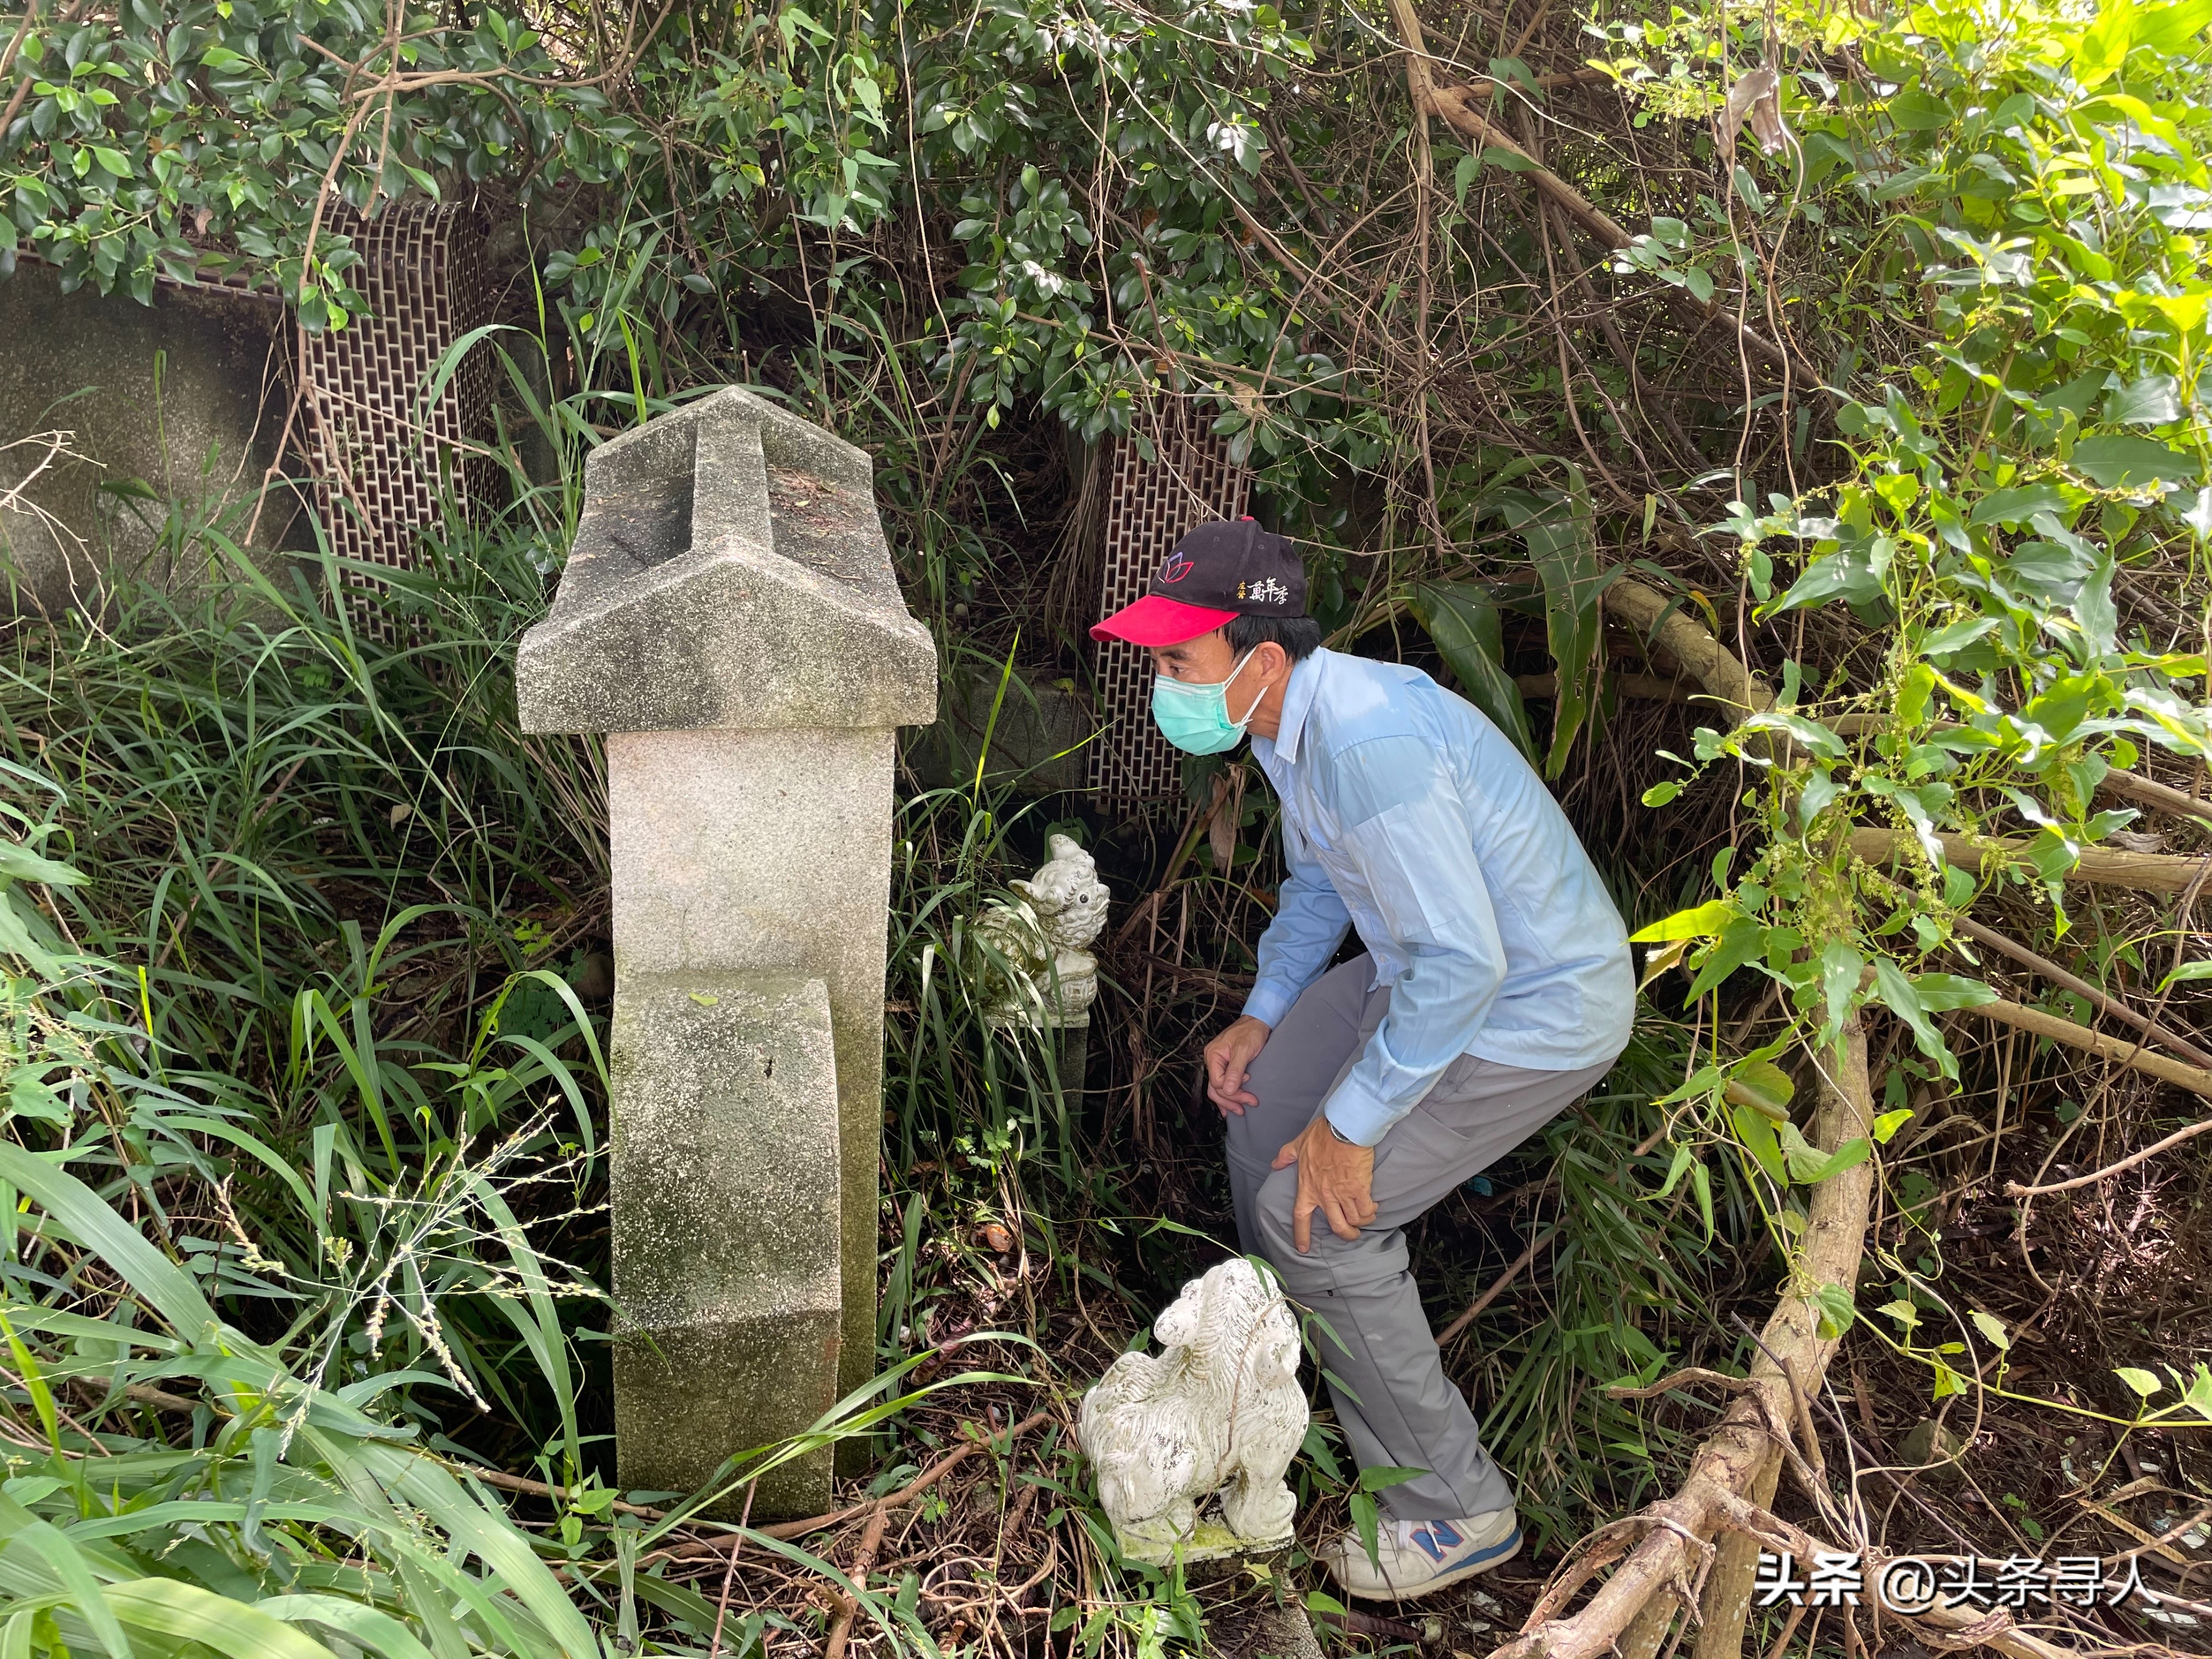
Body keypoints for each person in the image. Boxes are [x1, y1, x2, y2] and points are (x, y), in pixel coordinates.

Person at [1091, 518, 1635, 1600]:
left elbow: (1468, 964)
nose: (1162, 681)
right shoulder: (1291, 725)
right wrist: (1263, 1013)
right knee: (1258, 1109)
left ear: (1264, 659)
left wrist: (1350, 1129)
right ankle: (1278, 1359)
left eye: (1175, 658)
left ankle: (1453, 1507)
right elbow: (1321, 889)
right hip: (1420, 968)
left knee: (1319, 1211)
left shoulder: (1366, 741)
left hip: (1528, 1008)